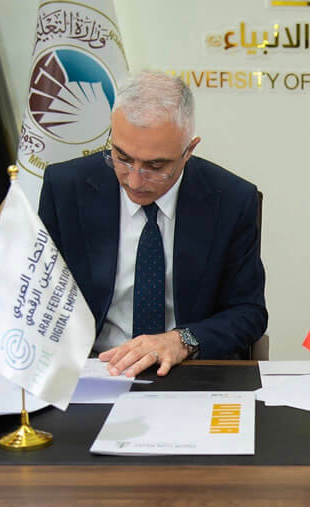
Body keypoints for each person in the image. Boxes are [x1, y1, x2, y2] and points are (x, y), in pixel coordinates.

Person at [39, 71, 267, 377]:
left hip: (188, 370)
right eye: (122, 158)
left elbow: (249, 312)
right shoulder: (65, 188)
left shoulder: (231, 200)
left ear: (189, 151)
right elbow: (40, 297)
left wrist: (183, 340)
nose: (134, 181)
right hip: (94, 369)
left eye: (155, 166)